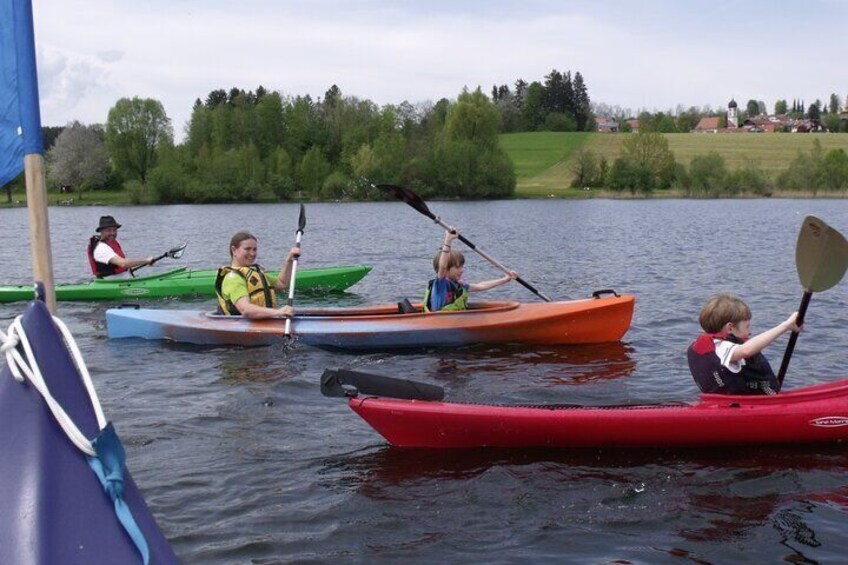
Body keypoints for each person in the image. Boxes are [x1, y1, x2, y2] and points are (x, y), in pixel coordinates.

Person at [687, 293, 803, 395]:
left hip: (732, 401)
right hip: (741, 405)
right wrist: (786, 325)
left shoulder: (716, 345)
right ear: (730, 327)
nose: (750, 331)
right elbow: (746, 350)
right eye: (747, 326)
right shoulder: (721, 347)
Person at [424, 228, 517, 312]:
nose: (462, 270)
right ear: (446, 271)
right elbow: (443, 267)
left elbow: (481, 286)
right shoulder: (441, 284)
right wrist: (448, 240)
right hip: (438, 322)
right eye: (457, 267)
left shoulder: (459, 285)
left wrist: (505, 279)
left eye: (462, 266)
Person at [215, 231, 300, 319]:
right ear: (234, 250)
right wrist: (278, 312)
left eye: (254, 249)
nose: (252, 253)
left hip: (264, 323)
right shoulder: (233, 278)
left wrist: (289, 260)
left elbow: (282, 283)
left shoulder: (254, 273)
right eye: (247, 249)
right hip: (244, 328)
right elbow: (245, 309)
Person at [86, 215, 154, 278]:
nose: (112, 233)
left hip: (120, 280)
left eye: (114, 230)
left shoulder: (111, 242)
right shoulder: (101, 248)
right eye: (109, 230)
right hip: (110, 283)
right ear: (101, 232)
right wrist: (146, 261)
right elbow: (123, 264)